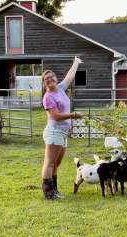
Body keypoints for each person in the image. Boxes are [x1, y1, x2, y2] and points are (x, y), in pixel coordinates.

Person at [41, 57, 83, 200]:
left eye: (51, 77)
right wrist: (73, 115)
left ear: (55, 78)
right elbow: (55, 116)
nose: (50, 79)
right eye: (46, 79)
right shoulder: (48, 97)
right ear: (44, 83)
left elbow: (70, 76)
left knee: (56, 163)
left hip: (63, 133)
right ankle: (48, 193)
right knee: (49, 163)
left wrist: (76, 62)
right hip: (54, 132)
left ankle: (55, 190)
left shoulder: (60, 88)